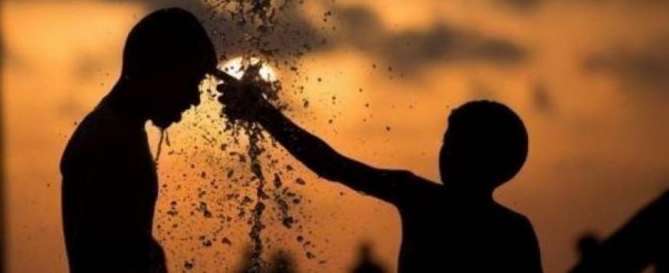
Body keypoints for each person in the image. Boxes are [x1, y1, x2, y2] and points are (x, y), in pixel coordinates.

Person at [217, 79, 542, 273]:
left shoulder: (420, 197)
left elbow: (330, 165)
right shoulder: (515, 230)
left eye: (450, 142)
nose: (443, 151)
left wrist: (264, 113)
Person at [61, 8, 217, 273]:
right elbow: (105, 253)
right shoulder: (109, 140)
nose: (195, 98)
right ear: (157, 68)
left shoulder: (119, 131)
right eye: (190, 80)